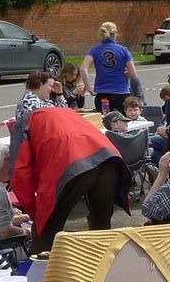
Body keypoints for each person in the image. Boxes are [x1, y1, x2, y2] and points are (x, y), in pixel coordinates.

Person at [11, 106, 128, 251]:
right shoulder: (65, 112)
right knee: (101, 225)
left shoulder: (22, 125)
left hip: (71, 162)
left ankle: (39, 269)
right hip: (108, 156)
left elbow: (19, 171)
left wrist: (34, 212)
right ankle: (102, 265)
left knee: (45, 232)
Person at [82, 21, 139, 113]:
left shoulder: (94, 50)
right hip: (121, 92)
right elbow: (133, 73)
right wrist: (124, 74)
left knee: (105, 121)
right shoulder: (123, 50)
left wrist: (88, 86)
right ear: (115, 34)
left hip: (103, 93)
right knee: (124, 122)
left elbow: (83, 68)